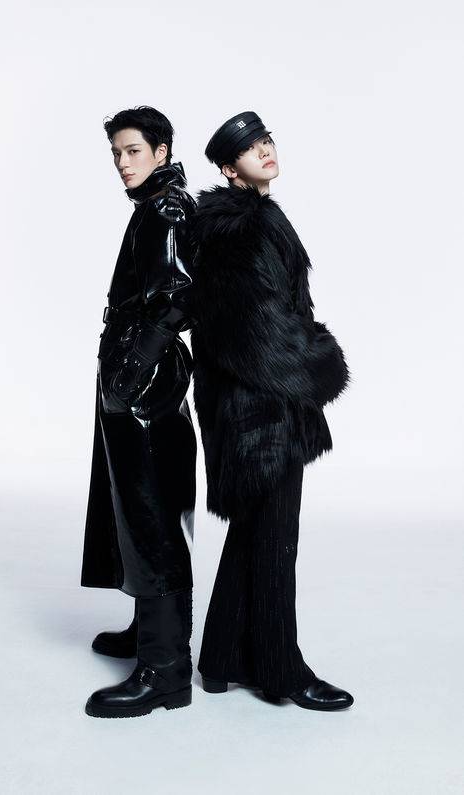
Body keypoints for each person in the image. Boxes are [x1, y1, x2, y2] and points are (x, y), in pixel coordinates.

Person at [190, 111, 354, 710]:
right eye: (247, 148)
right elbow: (256, 329)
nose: (263, 150)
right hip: (258, 408)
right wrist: (319, 364)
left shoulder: (255, 218)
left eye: (265, 139)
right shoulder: (238, 229)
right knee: (277, 537)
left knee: (257, 530)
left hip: (261, 403)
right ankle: (283, 671)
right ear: (229, 169)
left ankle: (220, 658)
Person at [80, 106, 197, 718]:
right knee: (137, 508)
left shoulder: (167, 208)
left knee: (152, 514)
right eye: (116, 154)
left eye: (132, 151)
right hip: (138, 374)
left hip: (145, 379)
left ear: (161, 150)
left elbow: (177, 294)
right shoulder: (152, 205)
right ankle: (148, 630)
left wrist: (131, 370)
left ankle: (165, 669)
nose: (123, 163)